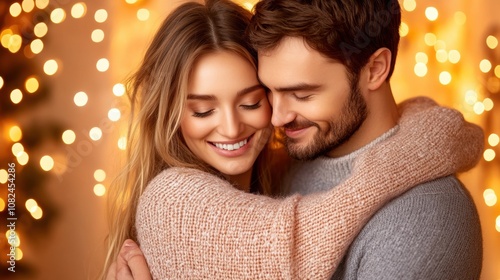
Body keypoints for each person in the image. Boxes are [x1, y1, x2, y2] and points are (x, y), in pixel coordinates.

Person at [104, 0, 484, 279]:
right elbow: (296, 242)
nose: (279, 117)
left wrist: (427, 136)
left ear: (376, 69)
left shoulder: (428, 217)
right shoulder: (178, 196)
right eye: (270, 92)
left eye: (301, 94)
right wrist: (410, 154)